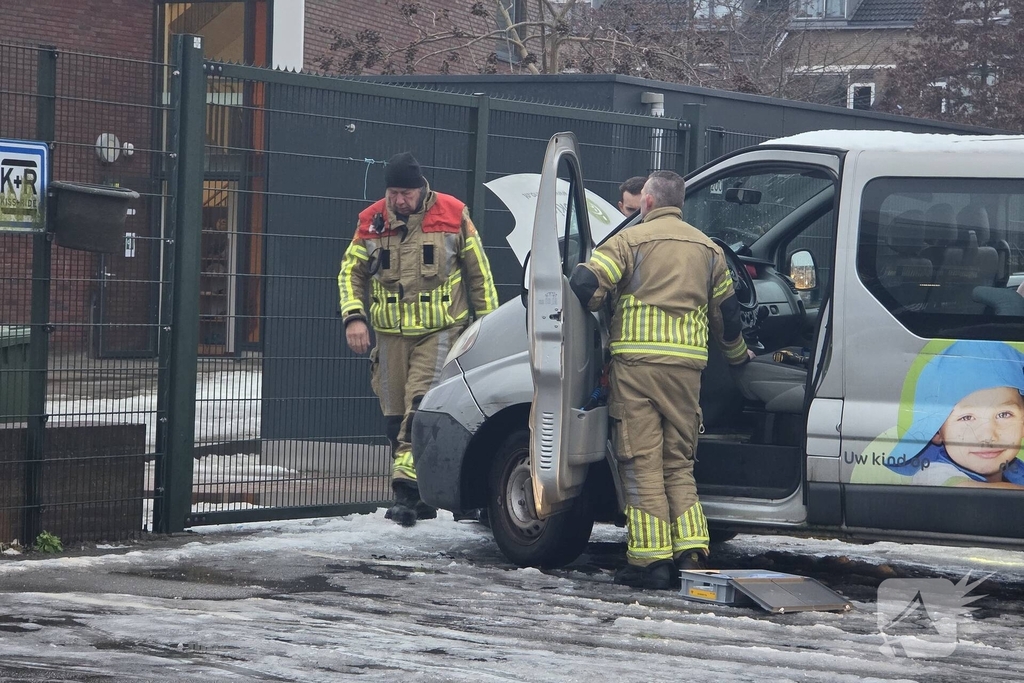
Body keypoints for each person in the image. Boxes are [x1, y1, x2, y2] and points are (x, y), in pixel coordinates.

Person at [569, 170, 753, 590]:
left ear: (647, 202)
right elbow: (727, 317)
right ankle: (691, 551)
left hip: (637, 369)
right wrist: (741, 359)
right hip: (687, 372)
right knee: (678, 461)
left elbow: (585, 283)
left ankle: (650, 562)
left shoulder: (628, 241)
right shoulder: (708, 250)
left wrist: (603, 302)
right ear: (680, 203)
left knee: (641, 461)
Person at [338, 152, 500, 526]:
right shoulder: (371, 221)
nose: (399, 201)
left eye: (405, 194)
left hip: (440, 330)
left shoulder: (453, 214)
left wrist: (488, 326)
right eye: (393, 193)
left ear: (420, 189)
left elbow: (480, 276)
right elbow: (350, 273)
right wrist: (353, 317)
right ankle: (425, 495)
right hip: (390, 335)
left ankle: (406, 496)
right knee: (395, 419)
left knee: (418, 406)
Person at [881, 340, 1024, 487]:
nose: (987, 435)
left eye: (1004, 414)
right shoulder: (933, 474)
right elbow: (977, 494)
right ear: (937, 431)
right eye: (967, 417)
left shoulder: (1015, 472)